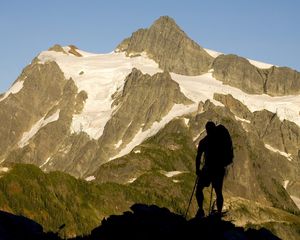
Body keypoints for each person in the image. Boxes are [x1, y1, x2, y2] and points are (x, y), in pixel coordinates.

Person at [195, 121, 233, 218]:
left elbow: (198, 157)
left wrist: (198, 170)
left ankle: (201, 209)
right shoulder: (220, 140)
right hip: (218, 169)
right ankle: (219, 213)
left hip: (208, 169)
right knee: (218, 192)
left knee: (199, 189)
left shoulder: (204, 142)